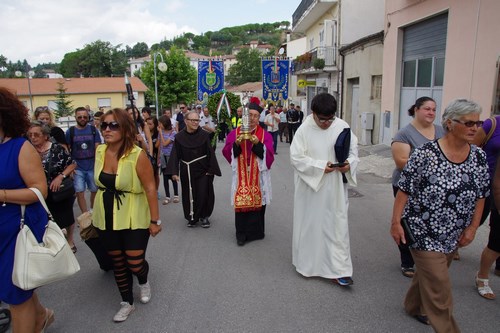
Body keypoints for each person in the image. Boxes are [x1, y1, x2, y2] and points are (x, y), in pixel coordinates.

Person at [390, 99, 489, 332]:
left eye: (478, 122)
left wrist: (473, 228)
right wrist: (395, 223)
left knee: (431, 276)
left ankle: (413, 305)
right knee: (440, 287)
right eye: (469, 123)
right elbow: (404, 189)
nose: (475, 127)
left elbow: (481, 195)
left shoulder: (478, 157)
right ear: (450, 124)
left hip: (454, 233)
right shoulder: (425, 154)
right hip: (422, 231)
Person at [93, 108, 162, 322]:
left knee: (134, 262)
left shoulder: (137, 154)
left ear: (125, 128)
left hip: (134, 213)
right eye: (104, 125)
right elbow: (98, 184)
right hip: (105, 214)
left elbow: (150, 188)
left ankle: (143, 280)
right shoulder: (100, 151)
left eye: (114, 125)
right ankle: (126, 302)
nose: (107, 129)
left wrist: (155, 220)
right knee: (118, 262)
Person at [0, 87, 55, 332]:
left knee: (16, 292)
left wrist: (1, 195)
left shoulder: (20, 147)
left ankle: (37, 319)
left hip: (16, 230)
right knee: (17, 282)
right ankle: (42, 315)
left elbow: (38, 191)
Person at [290, 93, 359, 286]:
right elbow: (296, 158)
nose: (327, 123)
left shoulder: (342, 126)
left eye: (330, 119)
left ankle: (341, 270)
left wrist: (348, 164)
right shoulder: (304, 130)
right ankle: (309, 265)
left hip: (335, 187)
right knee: (311, 226)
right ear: (313, 113)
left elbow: (354, 153)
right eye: (322, 120)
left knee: (337, 227)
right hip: (311, 189)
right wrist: (321, 166)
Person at [391, 97, 445, 277]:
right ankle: (407, 261)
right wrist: (434, 164)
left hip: (434, 189)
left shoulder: (441, 131)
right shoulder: (404, 134)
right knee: (407, 224)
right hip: (407, 187)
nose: (431, 113)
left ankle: (428, 257)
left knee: (430, 223)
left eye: (434, 109)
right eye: (427, 109)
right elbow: (401, 162)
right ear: (416, 109)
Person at [222, 102, 275, 246]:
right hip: (241, 176)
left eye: (256, 116)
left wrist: (258, 143)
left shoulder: (265, 135)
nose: (252, 118)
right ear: (245, 116)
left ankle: (256, 233)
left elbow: (269, 156)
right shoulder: (235, 133)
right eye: (249, 115)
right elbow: (227, 152)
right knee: (241, 204)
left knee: (259, 202)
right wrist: (237, 144)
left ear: (259, 118)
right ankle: (241, 234)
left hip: (259, 177)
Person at [27, 121, 78, 252]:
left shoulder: (56, 149)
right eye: (30, 135)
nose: (33, 137)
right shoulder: (27, 151)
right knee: (44, 219)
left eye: (36, 135)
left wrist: (60, 176)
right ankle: (51, 244)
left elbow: (72, 164)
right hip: (38, 192)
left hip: (58, 191)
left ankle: (70, 241)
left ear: (45, 136)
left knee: (66, 217)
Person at [166, 111, 221, 228]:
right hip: (187, 169)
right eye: (193, 120)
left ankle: (204, 216)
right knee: (189, 194)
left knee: (203, 193)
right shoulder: (179, 137)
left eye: (197, 120)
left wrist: (211, 170)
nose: (196, 123)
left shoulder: (204, 135)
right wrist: (174, 172)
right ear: (186, 121)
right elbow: (175, 155)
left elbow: (210, 153)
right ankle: (192, 217)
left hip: (203, 170)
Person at [473, 112, 500, 297]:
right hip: (487, 184)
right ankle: (482, 276)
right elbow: (473, 149)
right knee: (495, 242)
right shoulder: (492, 124)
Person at [66, 106, 102, 214]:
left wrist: (98, 164)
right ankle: (85, 214)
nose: (82, 119)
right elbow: (67, 150)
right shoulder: (70, 131)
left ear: (88, 117)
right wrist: (70, 167)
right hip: (77, 167)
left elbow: (98, 147)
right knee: (79, 191)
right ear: (76, 117)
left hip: (92, 165)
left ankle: (92, 211)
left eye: (85, 117)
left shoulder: (93, 130)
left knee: (94, 190)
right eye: (80, 117)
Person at [158, 115, 179, 205]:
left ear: (165, 123)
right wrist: (158, 157)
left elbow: (165, 143)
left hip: (171, 157)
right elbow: (160, 145)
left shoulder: (173, 133)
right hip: (163, 156)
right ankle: (167, 196)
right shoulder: (161, 132)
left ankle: (176, 195)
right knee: (165, 177)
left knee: (173, 176)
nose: (159, 125)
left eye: (160, 123)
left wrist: (160, 133)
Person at [147, 116, 160, 195]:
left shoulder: (157, 133)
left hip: (155, 156)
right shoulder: (145, 132)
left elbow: (158, 147)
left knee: (155, 174)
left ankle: (156, 190)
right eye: (147, 124)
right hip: (146, 155)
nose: (148, 126)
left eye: (150, 124)